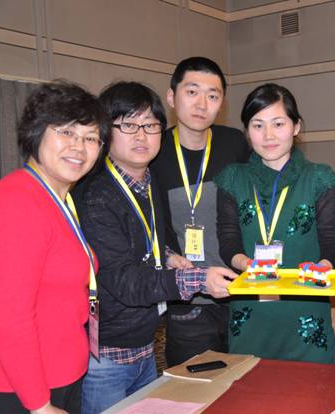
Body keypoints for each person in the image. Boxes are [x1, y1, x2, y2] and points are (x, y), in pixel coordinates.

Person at [76, 81, 236, 414]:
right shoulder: (95, 195)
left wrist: (168, 255)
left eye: (150, 126)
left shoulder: (147, 182)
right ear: (105, 130)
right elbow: (124, 280)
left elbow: (137, 240)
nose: (141, 136)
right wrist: (199, 279)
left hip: (144, 346)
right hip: (107, 357)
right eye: (128, 125)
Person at [0, 81, 109, 413]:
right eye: (66, 132)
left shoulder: (58, 200)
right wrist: (39, 405)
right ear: (36, 133)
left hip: (58, 374)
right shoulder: (17, 202)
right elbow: (10, 321)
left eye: (90, 138)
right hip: (17, 389)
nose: (79, 147)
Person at [214, 83, 335, 363]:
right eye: (257, 125)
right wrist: (246, 263)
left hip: (306, 317)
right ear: (247, 131)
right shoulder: (233, 178)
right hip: (250, 316)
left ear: (296, 126)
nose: (268, 135)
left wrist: (323, 267)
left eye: (278, 124)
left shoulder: (319, 178)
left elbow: (332, 241)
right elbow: (228, 238)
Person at [150, 57, 250, 366]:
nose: (201, 104)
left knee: (248, 382)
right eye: (192, 92)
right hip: (188, 302)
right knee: (195, 386)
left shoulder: (234, 143)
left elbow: (274, 180)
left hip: (241, 294)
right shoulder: (153, 150)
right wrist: (166, 255)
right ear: (171, 97)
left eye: (213, 95)